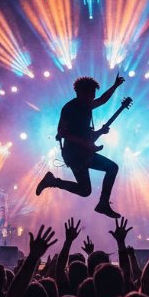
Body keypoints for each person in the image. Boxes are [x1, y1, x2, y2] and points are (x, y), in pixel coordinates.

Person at [36, 74, 126, 218]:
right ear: (81, 93)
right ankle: (103, 204)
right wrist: (83, 142)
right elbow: (61, 132)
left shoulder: (87, 105)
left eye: (93, 96)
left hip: (83, 152)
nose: (92, 99)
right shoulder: (70, 108)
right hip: (74, 154)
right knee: (110, 169)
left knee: (85, 190)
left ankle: (52, 181)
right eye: (90, 95)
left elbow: (103, 100)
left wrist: (115, 86)